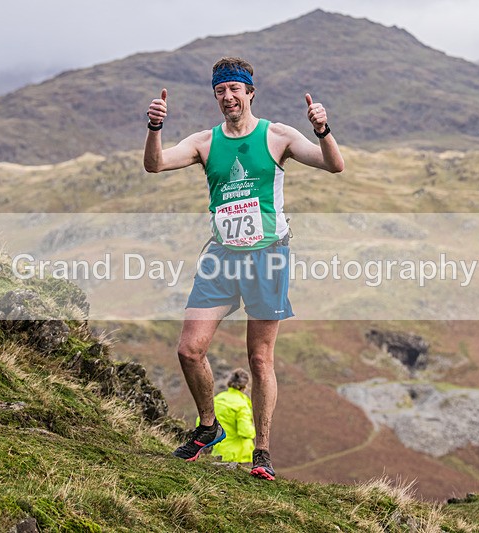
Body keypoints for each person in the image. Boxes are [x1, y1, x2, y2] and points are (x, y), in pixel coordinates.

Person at [144, 57, 344, 480]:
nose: (228, 97)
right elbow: (155, 164)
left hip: (267, 255)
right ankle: (207, 428)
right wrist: (155, 128)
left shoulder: (277, 136)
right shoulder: (204, 142)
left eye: (235, 89)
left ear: (250, 92)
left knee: (259, 358)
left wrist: (322, 130)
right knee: (188, 349)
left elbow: (333, 164)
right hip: (221, 256)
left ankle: (263, 453)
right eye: (221, 91)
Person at [196, 368, 256, 463]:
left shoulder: (217, 399)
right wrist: (255, 429)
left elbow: (201, 421)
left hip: (217, 450)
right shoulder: (242, 405)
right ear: (245, 386)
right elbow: (245, 432)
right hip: (238, 455)